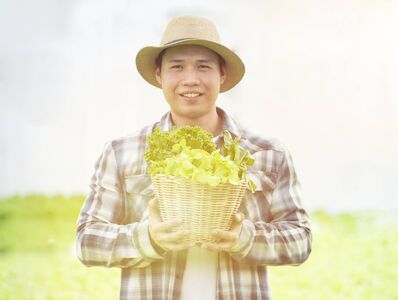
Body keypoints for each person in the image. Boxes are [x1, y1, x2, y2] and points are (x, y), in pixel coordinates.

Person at [76, 15, 312, 300]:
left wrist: (245, 239)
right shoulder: (121, 153)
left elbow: (301, 240)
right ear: (159, 75)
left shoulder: (267, 154)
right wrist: (147, 238)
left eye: (204, 66)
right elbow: (86, 241)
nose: (191, 79)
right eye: (177, 67)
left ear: (222, 75)